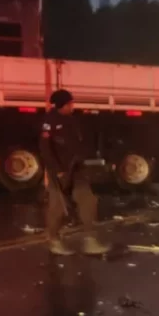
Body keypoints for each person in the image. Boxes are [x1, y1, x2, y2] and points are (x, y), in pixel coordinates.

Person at [39, 89, 110, 256]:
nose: (73, 105)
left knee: (88, 201)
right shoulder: (49, 122)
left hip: (76, 169)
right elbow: (45, 149)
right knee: (58, 206)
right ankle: (54, 239)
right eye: (70, 103)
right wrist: (57, 170)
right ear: (62, 105)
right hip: (60, 172)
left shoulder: (72, 120)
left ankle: (90, 240)